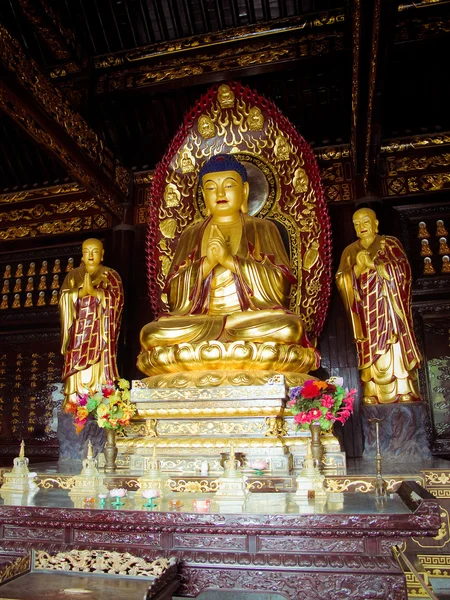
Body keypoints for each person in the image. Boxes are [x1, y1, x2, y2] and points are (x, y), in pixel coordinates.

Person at [139, 154, 317, 373]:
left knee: (289, 328)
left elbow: (280, 287)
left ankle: (211, 353)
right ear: (204, 195)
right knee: (152, 333)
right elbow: (175, 298)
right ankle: (232, 351)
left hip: (247, 321)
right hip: (201, 324)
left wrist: (229, 261)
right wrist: (207, 264)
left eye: (228, 186)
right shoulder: (191, 234)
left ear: (244, 191)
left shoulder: (262, 227)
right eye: (211, 188)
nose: (220, 194)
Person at [336, 208, 422, 404]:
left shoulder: (389, 244)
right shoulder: (349, 251)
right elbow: (342, 282)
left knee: (395, 347)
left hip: (390, 309)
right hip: (366, 313)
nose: (361, 227)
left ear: (376, 224)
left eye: (365, 222)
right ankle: (372, 392)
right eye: (356, 224)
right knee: (370, 352)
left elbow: (403, 271)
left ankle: (403, 389)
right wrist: (358, 268)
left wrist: (373, 265)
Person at [59, 238, 124, 407]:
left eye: (95, 251)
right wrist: (80, 293)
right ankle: (74, 400)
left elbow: (117, 300)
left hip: (99, 331)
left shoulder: (111, 275)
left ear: (102, 255)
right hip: (78, 334)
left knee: (99, 363)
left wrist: (96, 293)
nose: (90, 255)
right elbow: (63, 299)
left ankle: (100, 397)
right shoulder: (73, 275)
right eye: (86, 251)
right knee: (76, 366)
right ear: (81, 254)